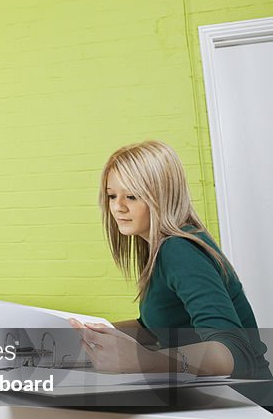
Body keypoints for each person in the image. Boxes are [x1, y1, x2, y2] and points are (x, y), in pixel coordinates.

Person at [71, 140, 269, 381]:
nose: (118, 207)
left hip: (247, 404)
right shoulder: (158, 247)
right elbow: (153, 327)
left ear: (162, 196)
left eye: (132, 196)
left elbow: (235, 352)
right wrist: (85, 333)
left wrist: (143, 360)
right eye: (112, 196)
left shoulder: (178, 249)